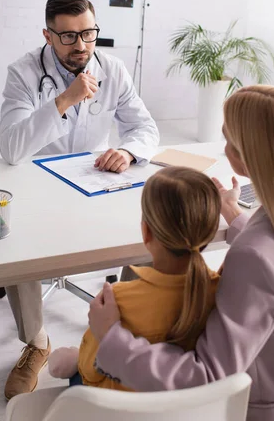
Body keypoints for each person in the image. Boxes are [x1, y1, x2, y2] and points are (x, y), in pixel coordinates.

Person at [89, 85, 274, 420]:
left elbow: (205, 377)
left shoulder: (256, 257)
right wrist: (237, 218)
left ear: (247, 157)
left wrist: (112, 338)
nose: (224, 148)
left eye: (229, 140)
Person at [0, 0, 159, 400]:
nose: (81, 46)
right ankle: (36, 343)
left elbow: (146, 129)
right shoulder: (23, 73)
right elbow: (12, 148)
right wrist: (64, 99)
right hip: (38, 181)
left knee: (149, 228)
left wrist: (126, 150)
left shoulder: (114, 69)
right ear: (48, 36)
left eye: (88, 33)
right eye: (68, 37)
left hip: (93, 180)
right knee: (16, 239)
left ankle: (122, 333)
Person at [48, 167, 221, 390]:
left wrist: (79, 361)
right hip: (178, 406)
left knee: (76, 369)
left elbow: (91, 371)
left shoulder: (116, 300)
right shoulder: (221, 291)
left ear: (146, 232)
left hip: (115, 405)